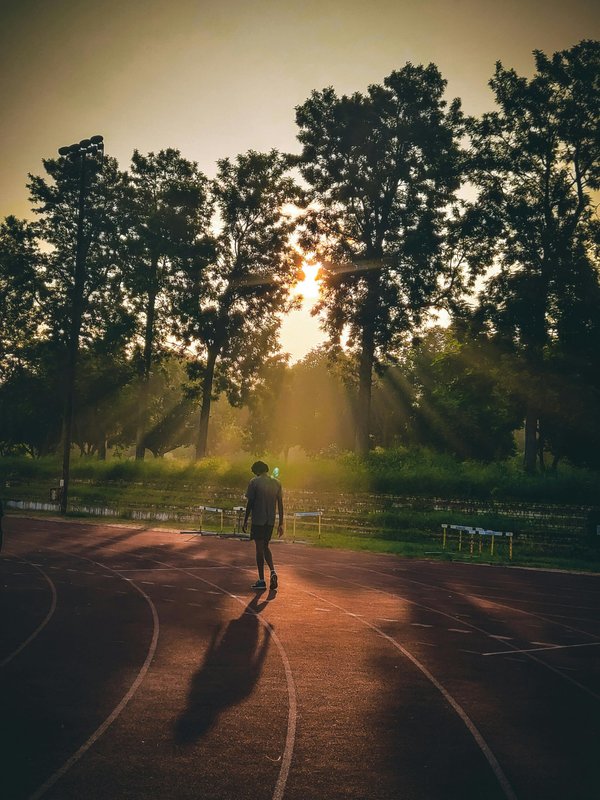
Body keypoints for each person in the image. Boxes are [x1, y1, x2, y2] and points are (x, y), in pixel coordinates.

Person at [242, 461, 283, 591]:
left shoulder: (254, 482)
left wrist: (245, 520)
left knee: (259, 549)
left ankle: (261, 580)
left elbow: (250, 502)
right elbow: (280, 504)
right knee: (266, 546)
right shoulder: (277, 483)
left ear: (258, 470)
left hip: (258, 520)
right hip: (270, 520)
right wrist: (281, 523)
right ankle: (272, 571)